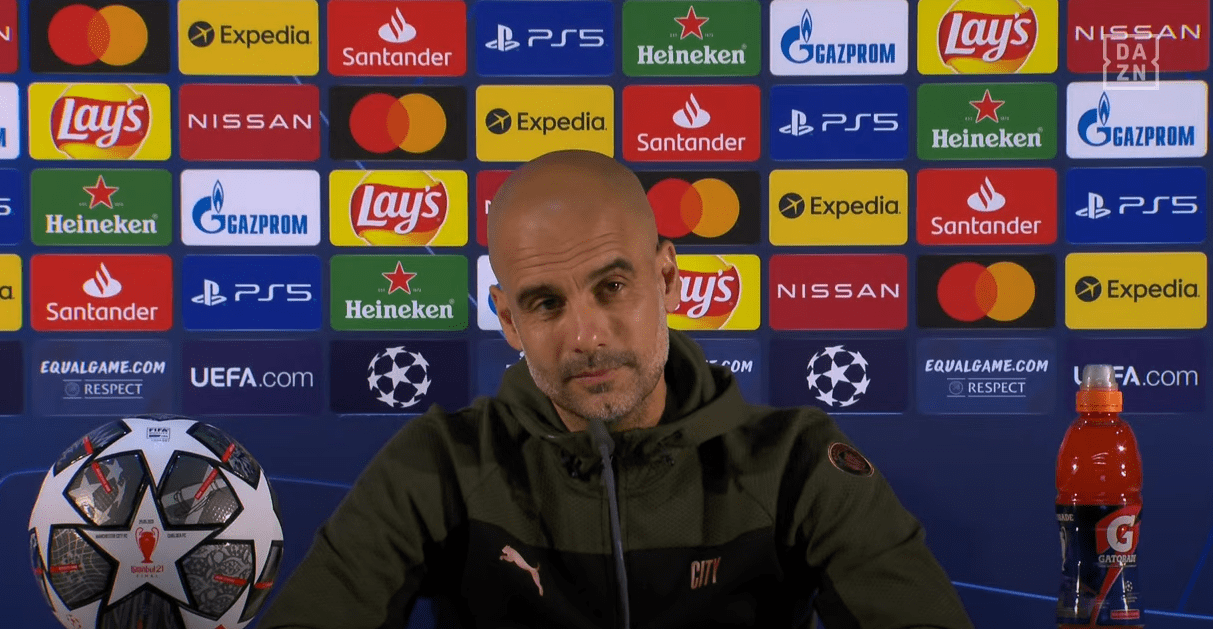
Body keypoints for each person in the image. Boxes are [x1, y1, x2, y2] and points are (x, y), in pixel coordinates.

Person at [257, 150, 975, 629]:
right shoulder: (439, 465)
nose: (586, 335)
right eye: (545, 304)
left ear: (666, 277)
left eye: (611, 286)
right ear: (507, 320)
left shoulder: (796, 464)